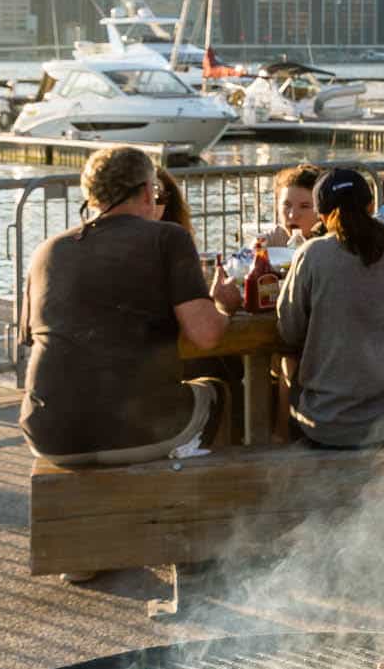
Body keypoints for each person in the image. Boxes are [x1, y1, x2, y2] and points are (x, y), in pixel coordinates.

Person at [20, 145, 233, 466]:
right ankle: (217, 499)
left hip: (49, 434)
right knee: (218, 391)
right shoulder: (168, 238)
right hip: (137, 430)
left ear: (91, 196)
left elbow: (31, 338)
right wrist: (225, 305)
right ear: (148, 192)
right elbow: (206, 335)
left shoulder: (47, 251)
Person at [275, 167, 384, 447]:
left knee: (286, 374)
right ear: (371, 206)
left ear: (322, 215)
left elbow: (289, 330)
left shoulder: (312, 256)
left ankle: (278, 448)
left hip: (333, 424)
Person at [265, 163, 322, 246]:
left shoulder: (336, 245)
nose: (292, 215)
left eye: (304, 206)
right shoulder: (270, 241)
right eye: (287, 205)